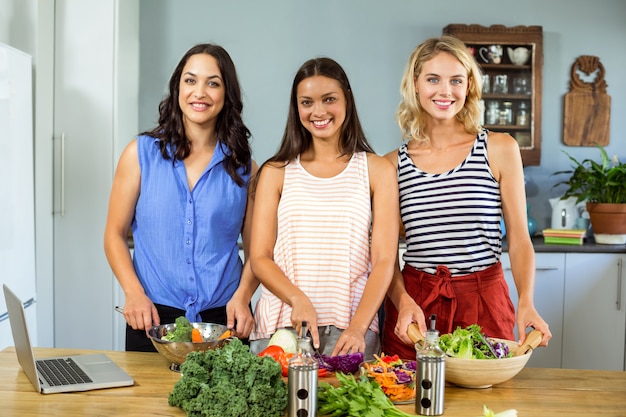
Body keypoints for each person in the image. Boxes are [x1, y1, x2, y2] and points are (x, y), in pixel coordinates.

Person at [382, 36, 552, 360]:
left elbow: (518, 238)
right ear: (415, 85)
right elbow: (385, 253)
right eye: (433, 79)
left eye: (456, 80)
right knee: (408, 404)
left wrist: (527, 300)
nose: (445, 91)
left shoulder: (499, 148)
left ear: (469, 85)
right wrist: (402, 299)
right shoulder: (391, 164)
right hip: (416, 305)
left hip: (484, 298)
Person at [104, 44, 258, 351]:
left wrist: (242, 297)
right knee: (147, 401)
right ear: (177, 88)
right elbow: (114, 234)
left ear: (226, 95)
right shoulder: (139, 154)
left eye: (213, 83)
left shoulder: (245, 168)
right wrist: (133, 292)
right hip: (151, 316)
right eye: (190, 80)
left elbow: (258, 252)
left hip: (224, 319)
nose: (199, 92)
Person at [248, 57, 399, 360]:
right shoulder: (276, 171)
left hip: (351, 331)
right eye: (307, 102)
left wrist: (358, 327)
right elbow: (259, 258)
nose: (318, 112)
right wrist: (298, 299)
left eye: (329, 99)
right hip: (281, 328)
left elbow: (383, 260)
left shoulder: (377, 170)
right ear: (297, 108)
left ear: (346, 100)